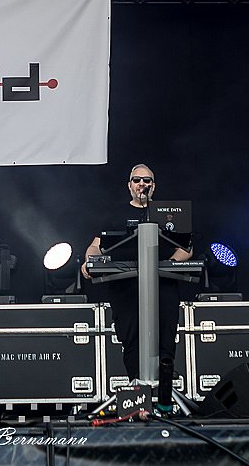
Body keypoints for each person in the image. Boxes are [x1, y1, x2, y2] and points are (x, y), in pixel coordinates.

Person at [81, 164, 192, 412]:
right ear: (129, 185)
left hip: (163, 283)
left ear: (154, 186)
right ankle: (139, 395)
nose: (142, 184)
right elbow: (96, 245)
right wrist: (90, 260)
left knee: (166, 338)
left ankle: (164, 399)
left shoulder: (168, 214)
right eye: (137, 180)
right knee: (131, 337)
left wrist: (168, 264)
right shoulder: (115, 213)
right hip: (126, 286)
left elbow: (187, 248)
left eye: (147, 180)